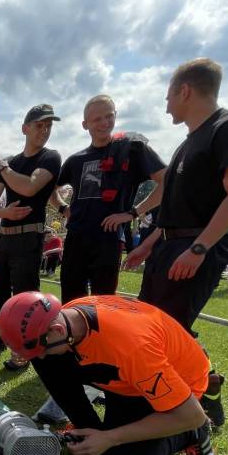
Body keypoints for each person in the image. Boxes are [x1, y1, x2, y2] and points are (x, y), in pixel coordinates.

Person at [125, 58, 228, 426]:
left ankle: (186, 410)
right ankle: (202, 385)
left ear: (184, 91)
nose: (167, 105)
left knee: (169, 332)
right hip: (168, 246)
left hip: (193, 248)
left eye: (168, 96)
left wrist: (199, 248)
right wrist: (149, 243)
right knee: (155, 328)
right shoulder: (187, 143)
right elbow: (173, 209)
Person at [0, 291, 216, 455]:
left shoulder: (132, 350)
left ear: (57, 329)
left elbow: (192, 415)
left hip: (178, 389)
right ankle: (87, 428)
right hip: (128, 375)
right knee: (48, 361)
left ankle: (188, 435)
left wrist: (111, 437)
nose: (41, 357)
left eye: (41, 350)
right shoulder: (69, 317)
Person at [52, 95, 167, 303]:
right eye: (97, 119)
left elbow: (167, 182)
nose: (104, 123)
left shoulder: (132, 150)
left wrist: (132, 213)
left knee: (104, 302)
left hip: (108, 238)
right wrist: (63, 209)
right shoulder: (76, 160)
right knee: (71, 301)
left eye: (109, 116)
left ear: (116, 116)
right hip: (76, 237)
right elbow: (51, 190)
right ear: (85, 124)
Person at [0, 103, 62, 371]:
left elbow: (29, 187)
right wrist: (5, 212)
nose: (44, 130)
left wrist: (3, 169)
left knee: (26, 297)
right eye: (39, 125)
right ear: (25, 128)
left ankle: (25, 349)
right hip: (4, 237)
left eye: (48, 126)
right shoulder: (13, 162)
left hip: (29, 238)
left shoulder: (50, 157)